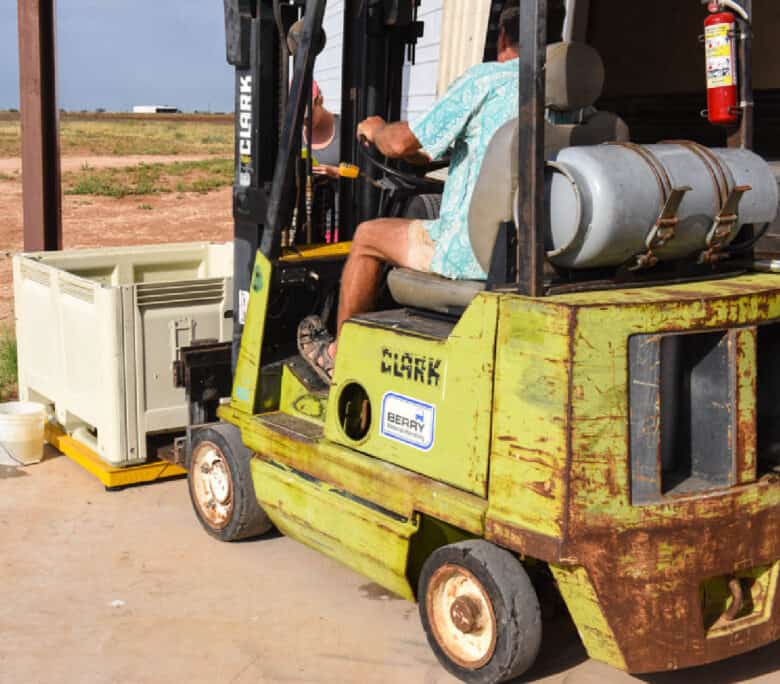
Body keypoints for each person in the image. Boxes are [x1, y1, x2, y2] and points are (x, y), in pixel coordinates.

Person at [299, 4, 521, 383]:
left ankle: (342, 358)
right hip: (528, 254)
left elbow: (400, 143)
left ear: (502, 39)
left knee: (369, 236)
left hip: (475, 253)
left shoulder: (488, 81)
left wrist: (377, 129)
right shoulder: (566, 100)